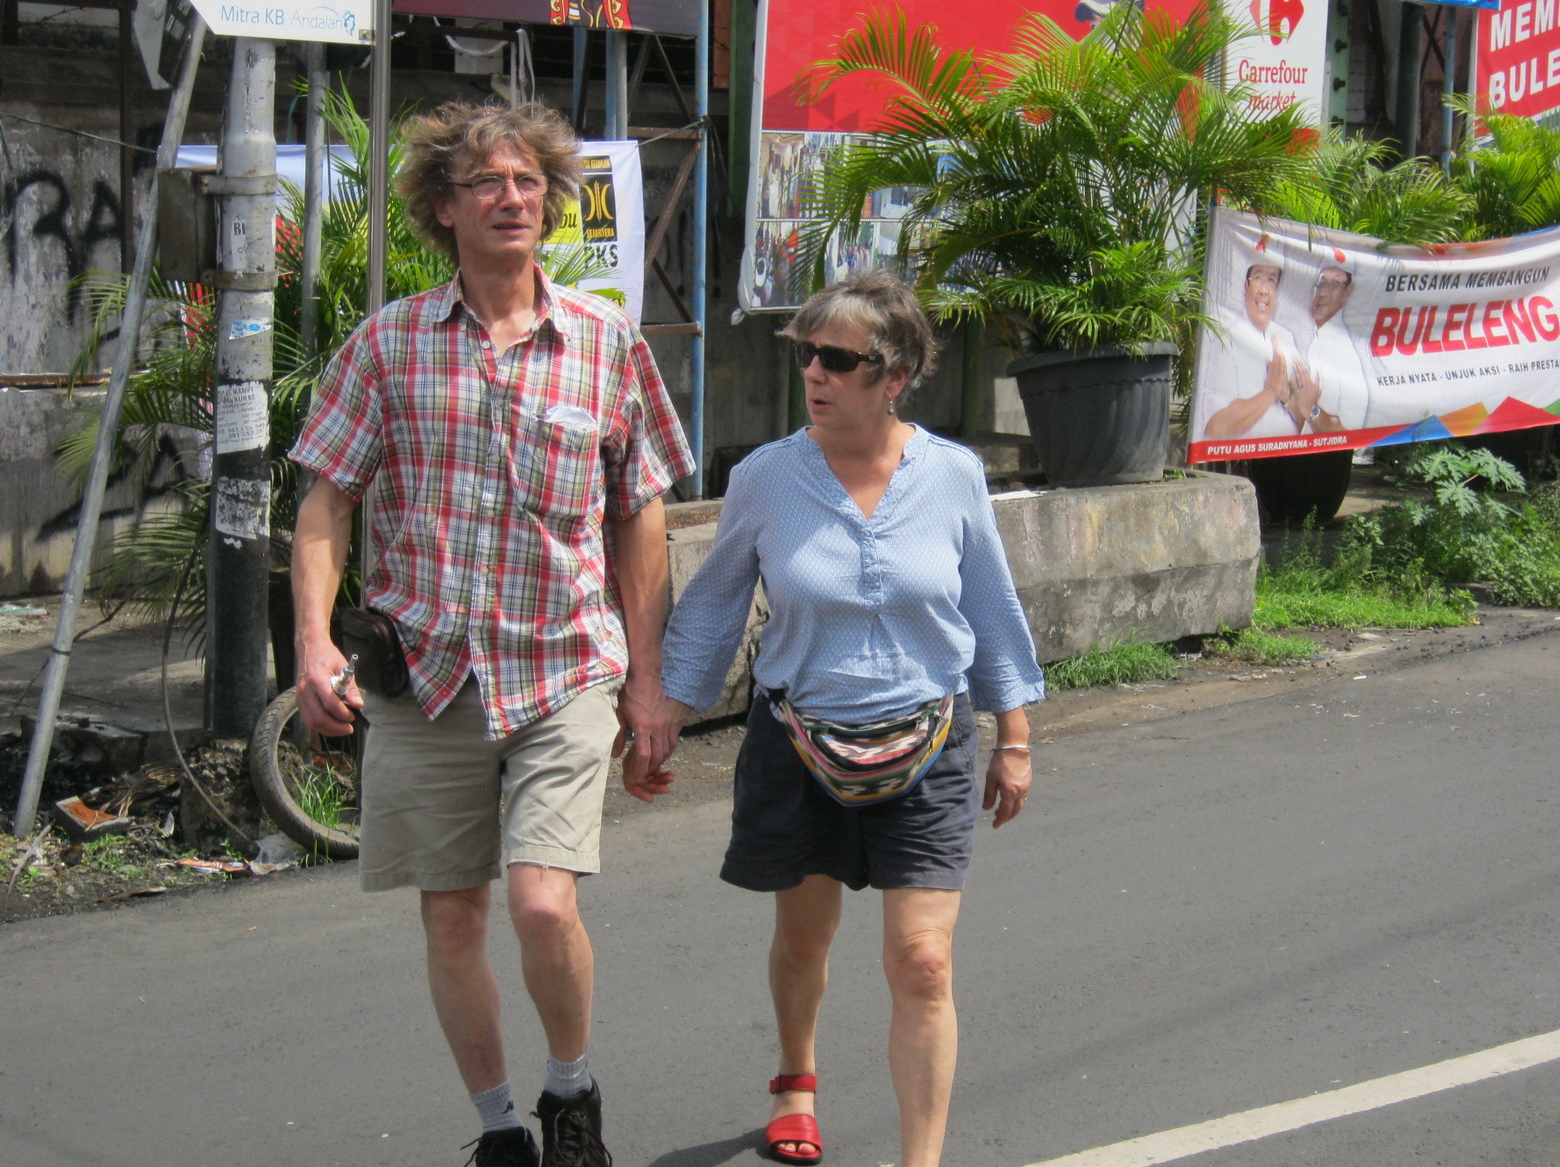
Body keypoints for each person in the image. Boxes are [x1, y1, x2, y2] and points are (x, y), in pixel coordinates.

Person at [289, 99, 694, 1167]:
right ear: (443, 207)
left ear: (550, 202)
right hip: (425, 676)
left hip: (562, 668)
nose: (512, 199)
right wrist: (314, 643)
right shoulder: (388, 345)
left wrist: (650, 681)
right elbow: (327, 500)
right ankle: (501, 1129)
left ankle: (571, 1092)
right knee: (452, 919)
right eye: (486, 183)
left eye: (528, 182)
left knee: (541, 904)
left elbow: (640, 513)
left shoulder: (606, 342)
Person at [658, 271, 1045, 1167]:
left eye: (837, 359)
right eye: (807, 354)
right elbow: (714, 608)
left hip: (931, 741)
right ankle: (796, 1082)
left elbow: (990, 609)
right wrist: (661, 717)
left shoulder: (952, 476)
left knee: (923, 962)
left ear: (895, 375)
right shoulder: (765, 479)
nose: (814, 373)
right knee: (805, 939)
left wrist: (1016, 738)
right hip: (801, 744)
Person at [1201, 258, 1308, 441]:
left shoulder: (1286, 338)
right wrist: (1271, 392)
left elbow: (1305, 415)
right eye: (1258, 278)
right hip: (1246, 456)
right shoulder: (1226, 339)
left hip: (1286, 453)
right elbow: (1215, 430)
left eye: (1271, 280)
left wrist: (1288, 398)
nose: (1264, 290)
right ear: (1246, 287)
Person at [1296, 258, 1369, 434]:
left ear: (1347, 292)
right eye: (1321, 282)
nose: (1324, 292)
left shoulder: (1345, 353)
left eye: (1335, 283)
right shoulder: (1306, 338)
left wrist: (1310, 409)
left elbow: (1353, 434)